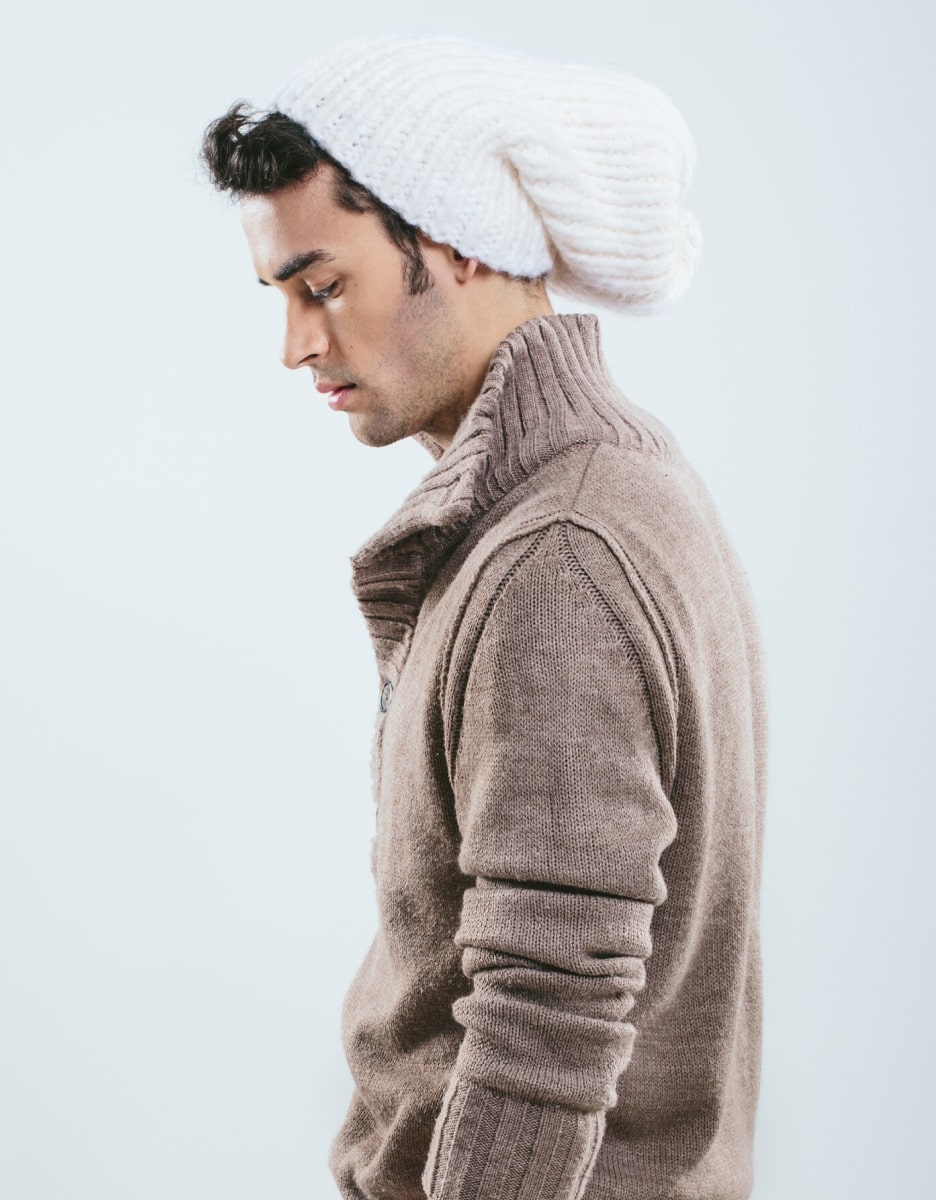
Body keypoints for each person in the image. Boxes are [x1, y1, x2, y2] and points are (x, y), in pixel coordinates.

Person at [199, 33, 768, 1200]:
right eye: (282, 298)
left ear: (456, 243)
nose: (297, 345)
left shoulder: (559, 557)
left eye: (323, 286)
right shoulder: (620, 481)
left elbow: (544, 1021)